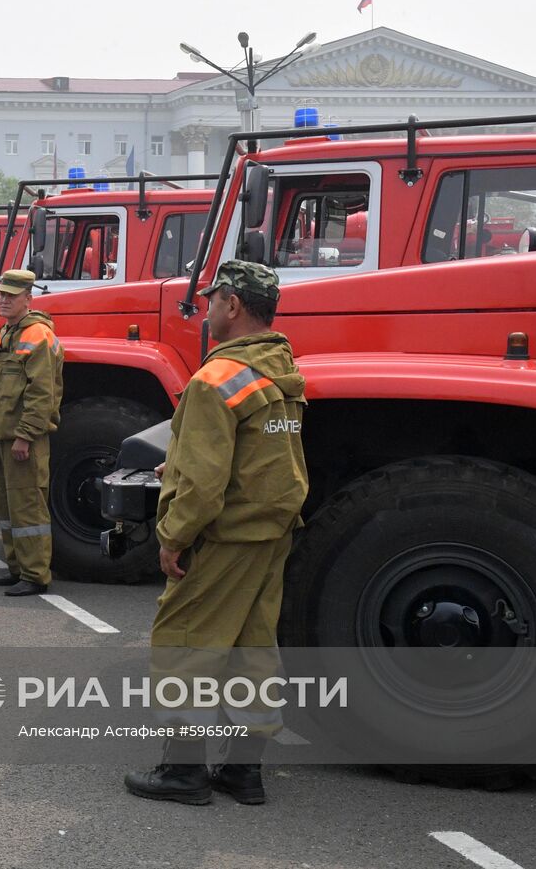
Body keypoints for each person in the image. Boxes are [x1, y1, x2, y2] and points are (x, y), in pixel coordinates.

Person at [123, 260, 308, 807]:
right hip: (271, 528)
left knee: (186, 644)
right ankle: (243, 773)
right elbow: (258, 453)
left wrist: (173, 537)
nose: (206, 311)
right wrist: (177, 461)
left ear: (233, 304)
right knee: (254, 649)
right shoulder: (280, 366)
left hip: (226, 535)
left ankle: (183, 773)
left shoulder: (214, 378)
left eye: (211, 302)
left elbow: (205, 485)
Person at [0, 269, 63, 597]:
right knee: (7, 505)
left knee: (27, 506)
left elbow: (43, 393)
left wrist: (26, 436)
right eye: (1, 295)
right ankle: (17, 568)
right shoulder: (7, 334)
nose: (4, 300)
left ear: (28, 298)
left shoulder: (37, 334)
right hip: (3, 437)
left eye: (11, 296)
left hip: (22, 439)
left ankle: (35, 574)